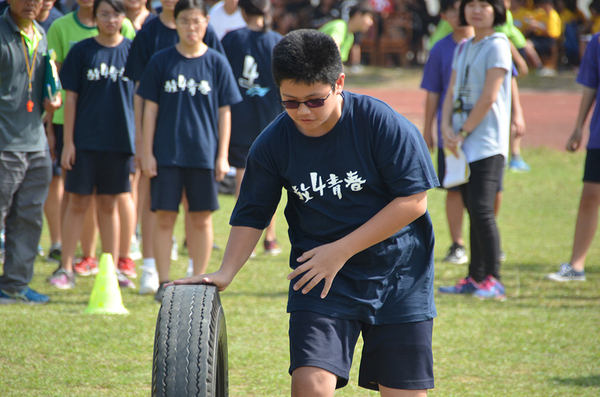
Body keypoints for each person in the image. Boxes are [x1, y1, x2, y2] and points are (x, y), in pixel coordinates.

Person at [171, 29, 438, 396]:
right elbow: (252, 213)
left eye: (314, 101)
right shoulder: (272, 144)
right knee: (310, 386)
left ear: (339, 83)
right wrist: (225, 272)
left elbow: (413, 201)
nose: (302, 112)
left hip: (398, 273)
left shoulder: (380, 124)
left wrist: (341, 250)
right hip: (320, 275)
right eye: (290, 102)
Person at [138, 0, 242, 302]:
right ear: (176, 22)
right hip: (166, 154)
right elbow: (149, 110)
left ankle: (197, 278)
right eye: (185, 21)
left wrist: (222, 155)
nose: (191, 27)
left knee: (201, 218)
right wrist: (146, 151)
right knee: (164, 218)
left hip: (203, 155)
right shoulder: (161, 61)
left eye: (197, 21)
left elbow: (226, 112)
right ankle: (164, 281)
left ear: (206, 22)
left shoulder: (216, 62)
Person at [47, 0, 136, 289]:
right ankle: (66, 268)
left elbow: (140, 100)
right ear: (95, 16)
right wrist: (68, 142)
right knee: (77, 202)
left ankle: (110, 270)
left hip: (120, 142)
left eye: (116, 14)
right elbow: (69, 99)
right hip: (84, 141)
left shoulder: (133, 53)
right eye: (105, 14)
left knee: (109, 205)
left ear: (124, 18)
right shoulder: (82, 51)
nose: (111, 20)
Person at [438, 0, 512, 299]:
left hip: (487, 142)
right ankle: (475, 277)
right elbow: (451, 91)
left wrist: (464, 130)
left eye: (485, 4)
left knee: (482, 208)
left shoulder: (498, 44)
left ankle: (493, 280)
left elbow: (490, 96)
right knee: (472, 207)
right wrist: (445, 126)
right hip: (461, 142)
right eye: (471, 4)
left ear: (497, 10)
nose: (476, 10)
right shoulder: (463, 46)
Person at [0, 0, 62, 304]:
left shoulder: (40, 32)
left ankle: (14, 285)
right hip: (4, 143)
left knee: (29, 217)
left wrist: (53, 99)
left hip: (35, 142)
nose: (30, 3)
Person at [221, 0, 283, 256]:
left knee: (242, 181)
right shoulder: (278, 40)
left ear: (242, 10)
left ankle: (247, 239)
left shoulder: (231, 39)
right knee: (274, 180)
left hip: (240, 120)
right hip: (273, 120)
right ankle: (270, 238)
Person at [421, 0, 474, 265]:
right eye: (453, 10)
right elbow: (433, 91)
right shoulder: (441, 48)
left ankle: (486, 240)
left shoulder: (492, 43)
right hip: (450, 131)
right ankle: (458, 244)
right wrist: (428, 127)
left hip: (484, 133)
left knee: (489, 190)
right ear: (444, 15)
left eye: (464, 7)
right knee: (454, 186)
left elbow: (508, 83)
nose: (460, 14)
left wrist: (517, 116)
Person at [545, 30, 600, 282]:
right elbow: (590, 86)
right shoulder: (597, 41)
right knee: (590, 196)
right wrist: (579, 126)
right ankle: (576, 265)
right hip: (598, 135)